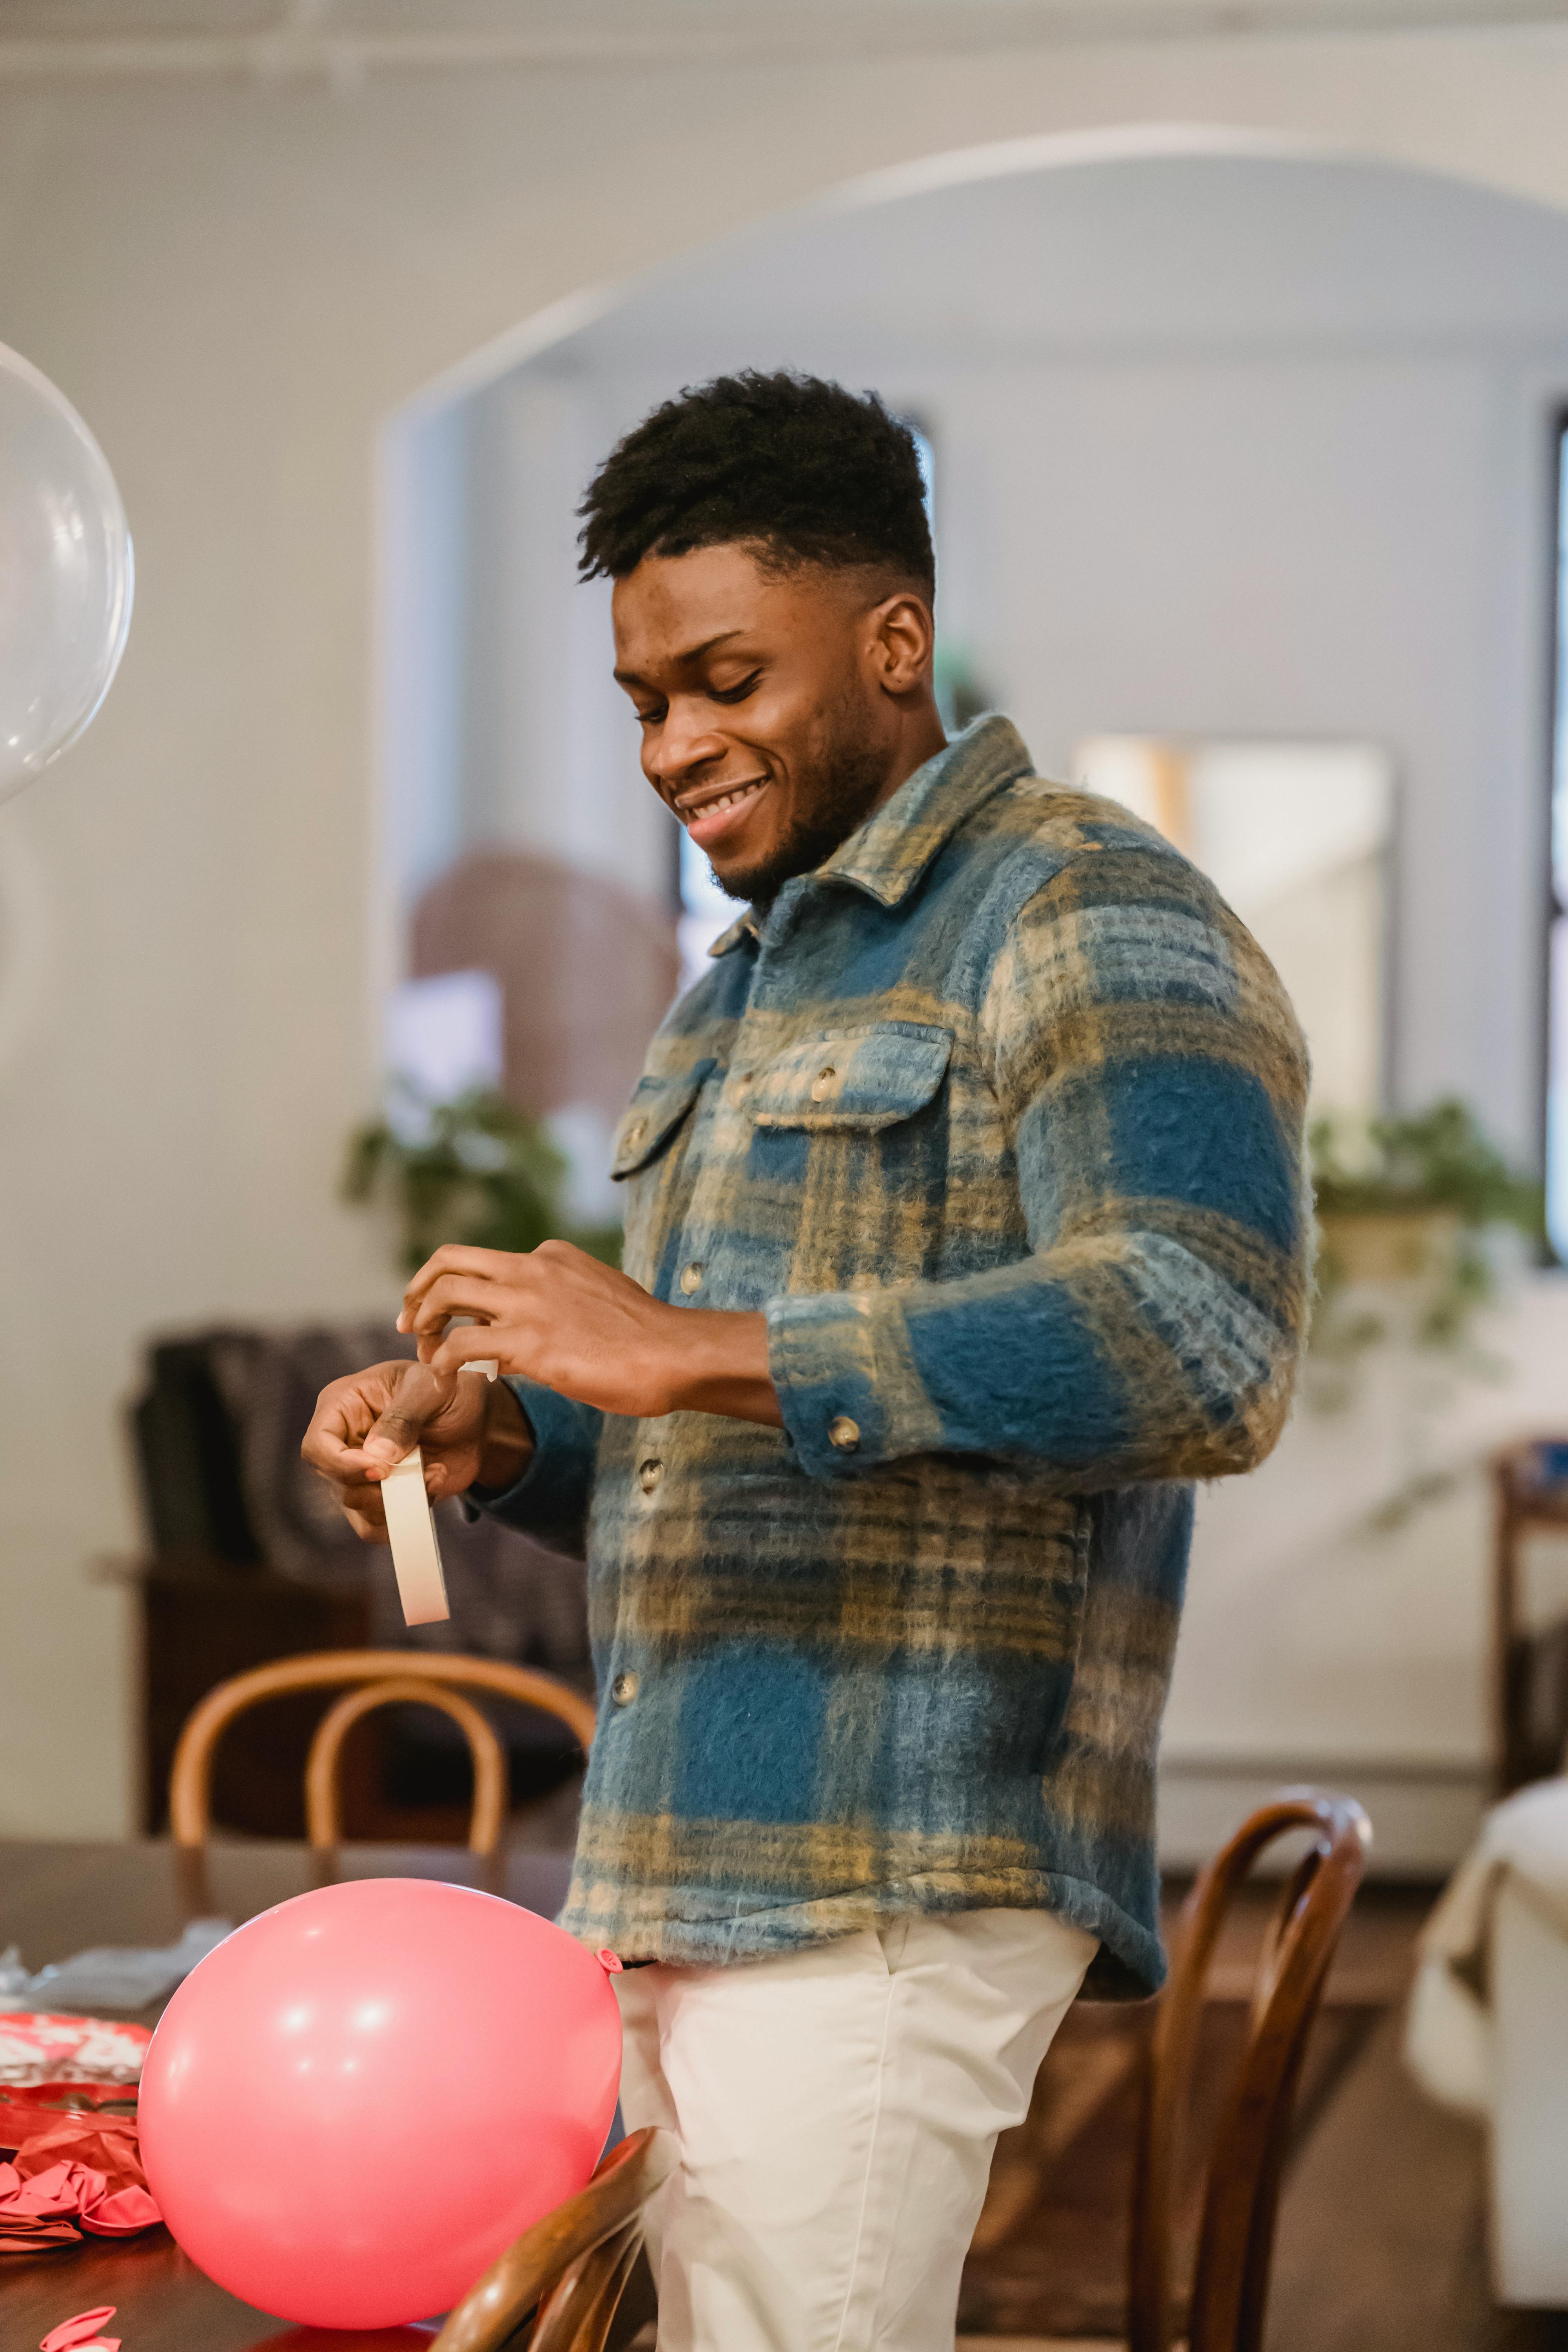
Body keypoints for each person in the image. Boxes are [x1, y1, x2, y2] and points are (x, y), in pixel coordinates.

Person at [304, 370, 1310, 2352]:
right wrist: (503, 1441)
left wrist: (685, 1344)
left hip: (890, 1870)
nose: (677, 745)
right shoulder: (743, 991)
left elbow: (1206, 1341)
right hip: (685, 1856)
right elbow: (724, 1449)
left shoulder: (1088, 905)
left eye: (726, 677)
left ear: (894, 640)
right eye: (645, 702)